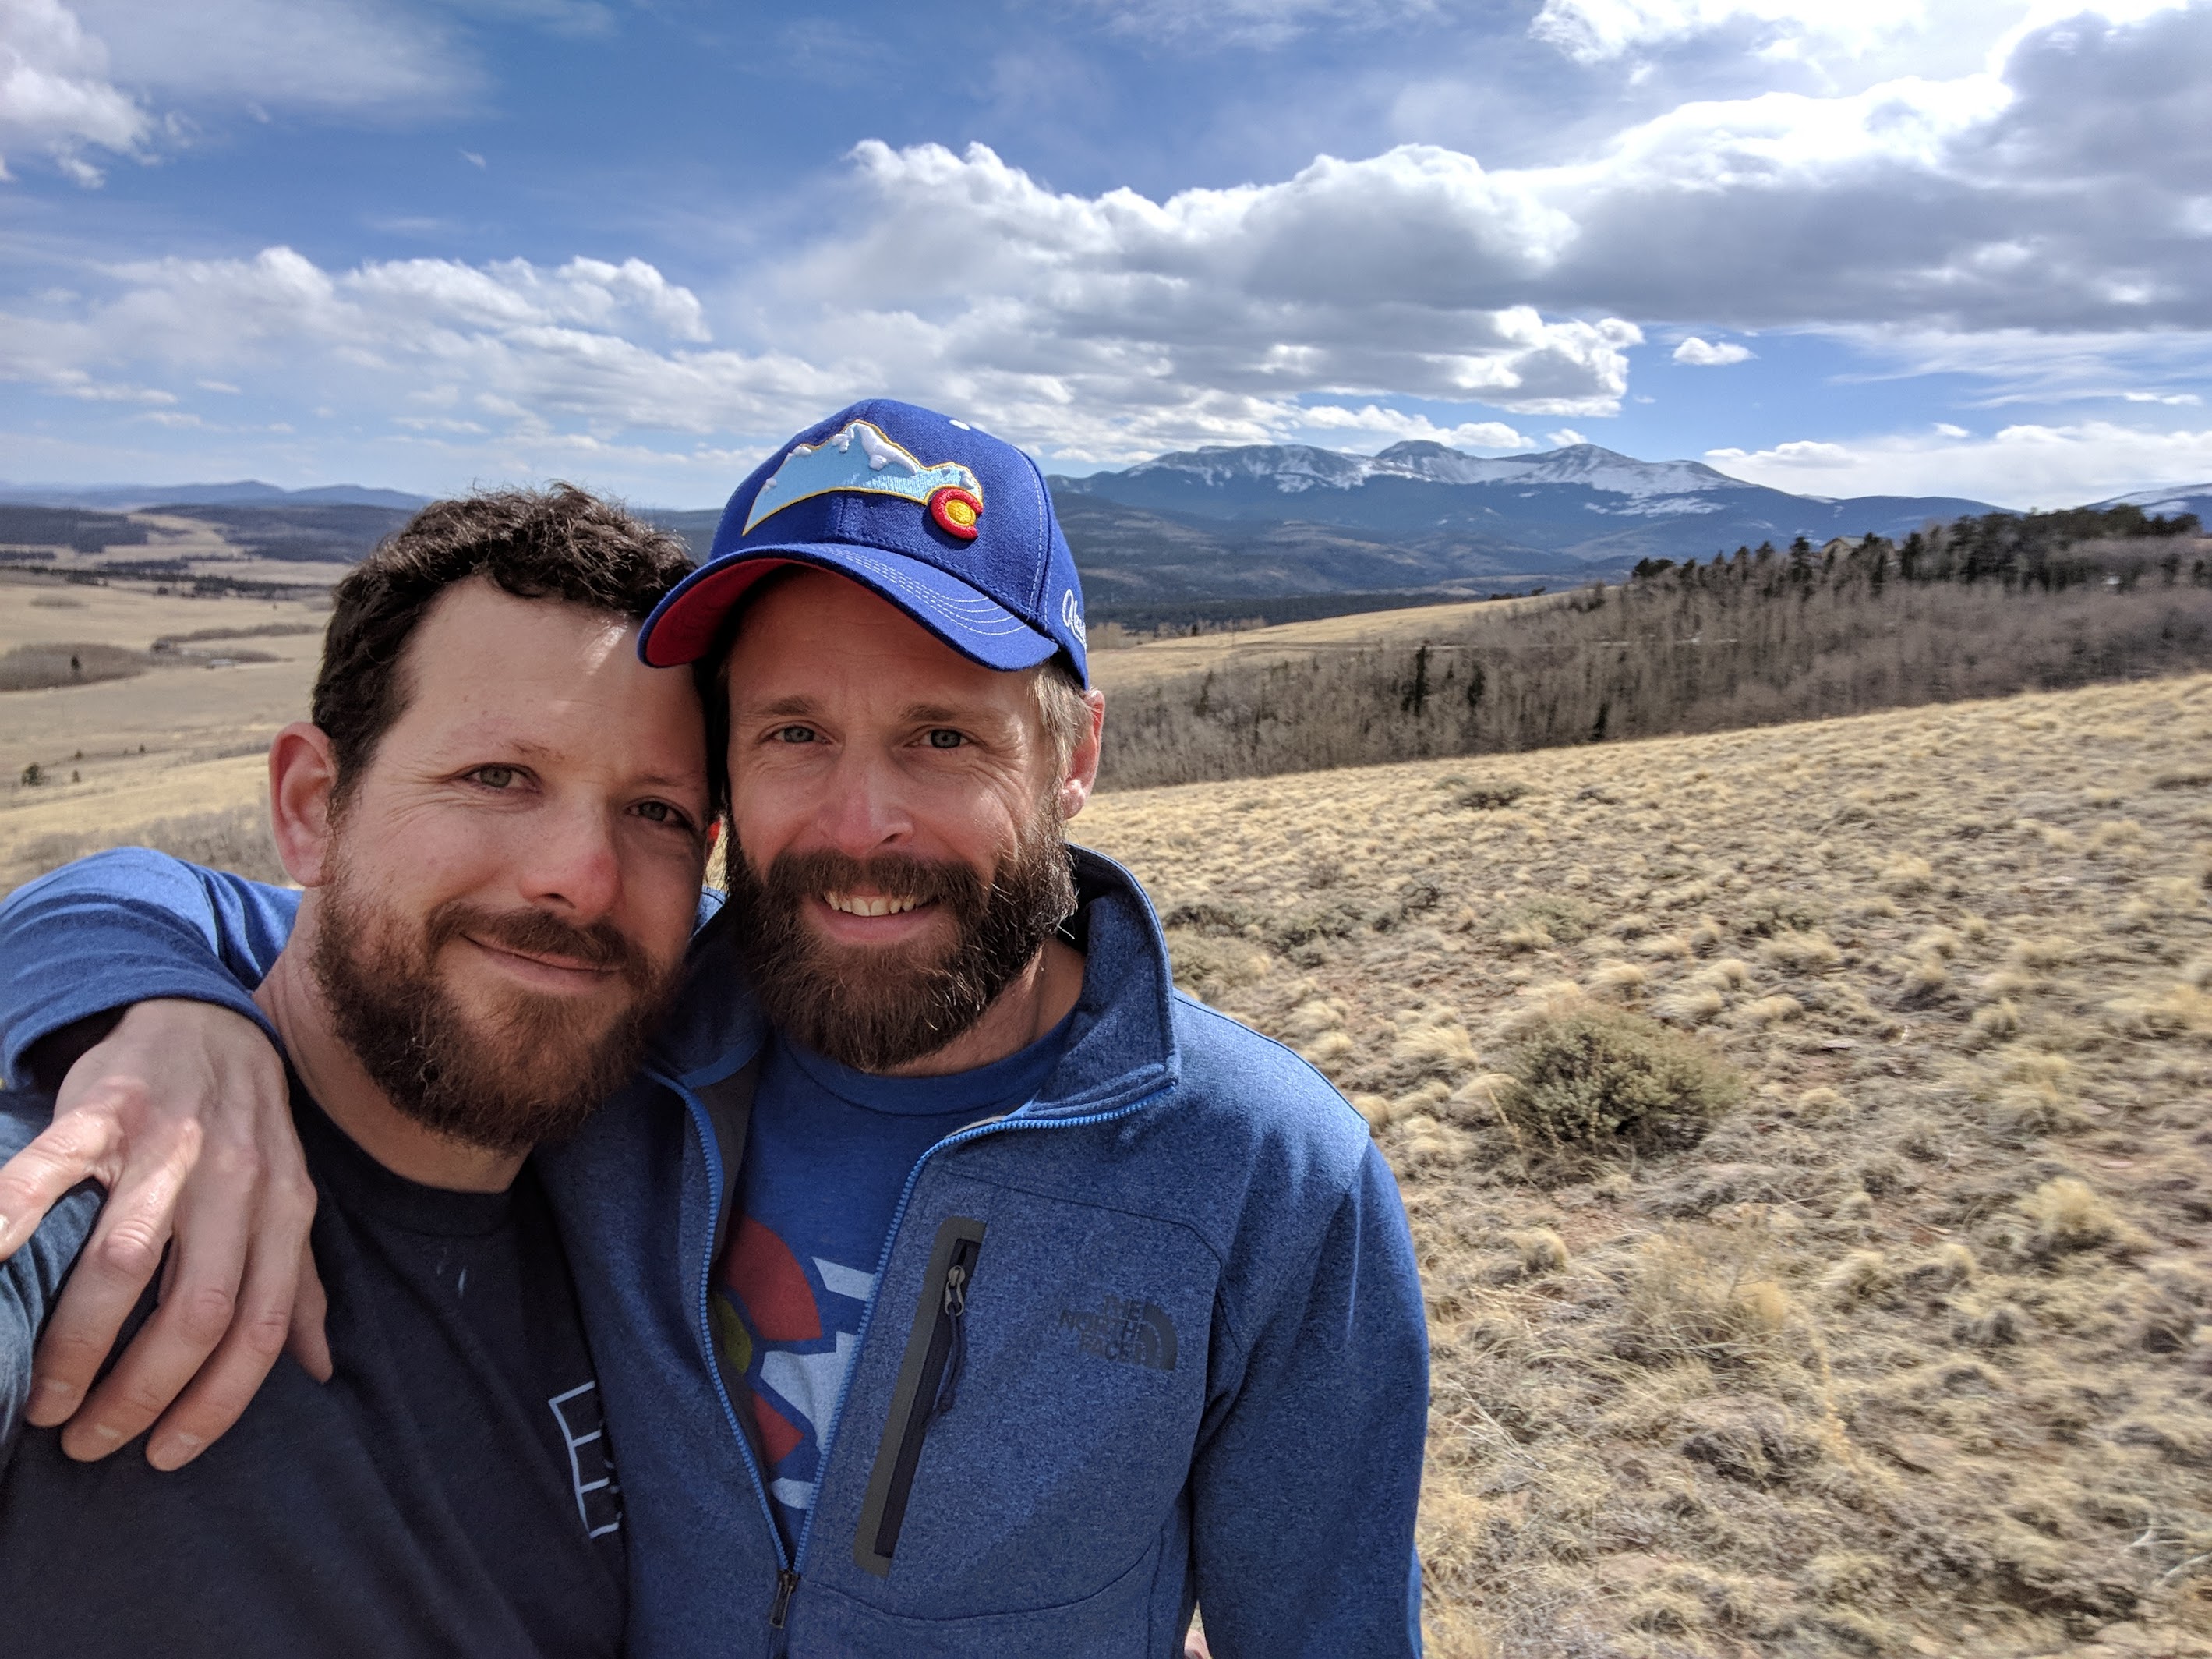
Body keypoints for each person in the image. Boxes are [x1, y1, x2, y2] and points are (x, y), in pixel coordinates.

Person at [0, 400, 1431, 1656]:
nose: (861, 823)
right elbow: (200, 903)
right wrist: (160, 1011)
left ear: (1074, 758)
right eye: (793, 734)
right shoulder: (627, 1013)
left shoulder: (1267, 1175)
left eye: (942, 736)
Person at [0, 485, 715, 1654]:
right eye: (497, 776)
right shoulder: (93, 1179)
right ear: (312, 809)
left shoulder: (665, 1169)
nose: (582, 880)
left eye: (656, 811)